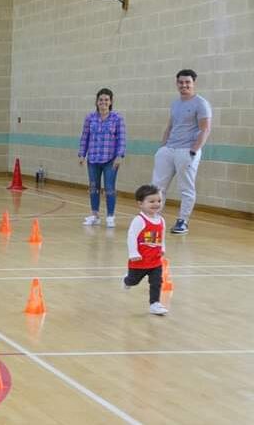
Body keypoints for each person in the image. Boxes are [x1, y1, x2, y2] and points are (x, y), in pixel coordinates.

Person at [151, 69, 212, 235]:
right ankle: (154, 219)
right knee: (157, 186)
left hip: (187, 150)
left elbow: (205, 129)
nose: (184, 85)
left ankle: (182, 221)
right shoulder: (175, 103)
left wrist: (193, 151)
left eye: (187, 82)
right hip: (169, 149)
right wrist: (162, 147)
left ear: (193, 83)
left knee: (186, 188)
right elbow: (170, 126)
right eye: (181, 82)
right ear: (177, 83)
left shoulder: (201, 103)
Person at [78, 88, 126, 228]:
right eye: (101, 100)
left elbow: (121, 139)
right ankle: (95, 215)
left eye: (106, 100)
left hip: (110, 159)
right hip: (93, 158)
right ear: (97, 102)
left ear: (110, 102)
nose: (103, 102)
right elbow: (84, 137)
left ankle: (110, 216)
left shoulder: (117, 118)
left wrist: (120, 155)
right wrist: (82, 154)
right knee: (94, 187)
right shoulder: (90, 118)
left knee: (109, 187)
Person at [123, 184, 168, 316]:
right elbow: (131, 237)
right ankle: (127, 280)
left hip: (155, 260)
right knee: (134, 281)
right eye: (151, 201)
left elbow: (162, 235)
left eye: (159, 201)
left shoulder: (161, 220)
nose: (156, 204)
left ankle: (155, 304)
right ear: (140, 203)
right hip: (140, 259)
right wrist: (133, 253)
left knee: (157, 281)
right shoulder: (139, 220)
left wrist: (163, 247)